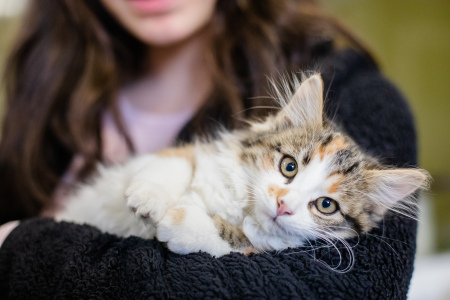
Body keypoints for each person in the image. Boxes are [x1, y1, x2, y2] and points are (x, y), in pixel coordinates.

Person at [0, 1, 419, 298]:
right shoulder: (51, 91)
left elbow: (337, 290)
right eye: (290, 166)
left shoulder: (358, 95)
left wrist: (25, 247)